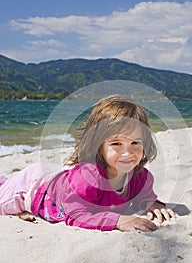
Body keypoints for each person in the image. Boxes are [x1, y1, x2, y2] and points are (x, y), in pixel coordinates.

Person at [0, 95, 176, 232]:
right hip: (34, 185)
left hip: (61, 178)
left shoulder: (141, 177)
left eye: (135, 143)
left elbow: (143, 198)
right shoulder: (89, 177)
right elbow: (74, 215)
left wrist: (152, 204)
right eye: (116, 144)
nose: (127, 152)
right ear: (98, 146)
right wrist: (118, 221)